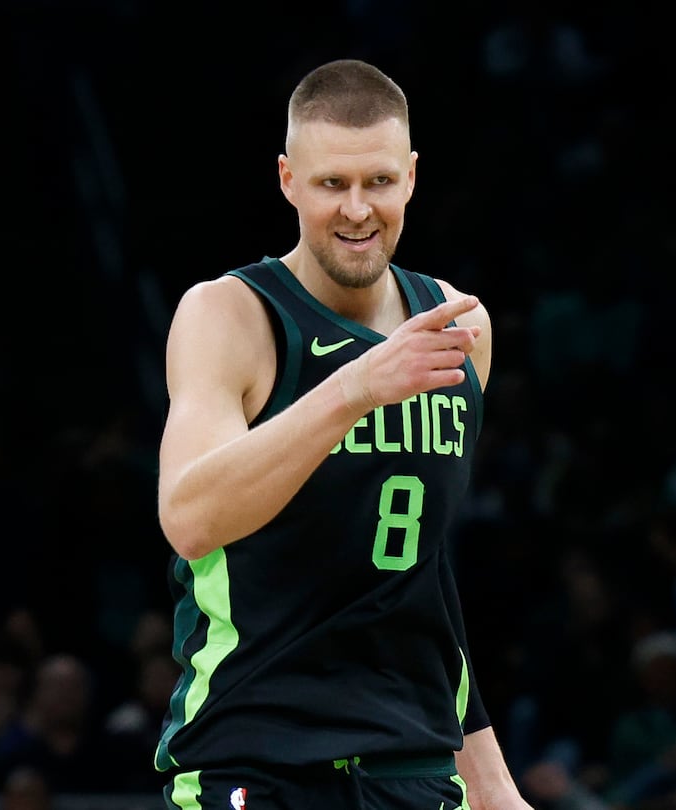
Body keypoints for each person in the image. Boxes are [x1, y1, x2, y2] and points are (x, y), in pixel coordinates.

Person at [153, 58, 529, 809]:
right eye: (332, 185)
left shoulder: (458, 326)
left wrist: (494, 786)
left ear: (413, 176)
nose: (358, 210)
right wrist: (353, 388)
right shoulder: (230, 315)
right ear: (289, 180)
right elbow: (190, 518)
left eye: (379, 183)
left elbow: (422, 577)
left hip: (413, 763)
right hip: (255, 755)